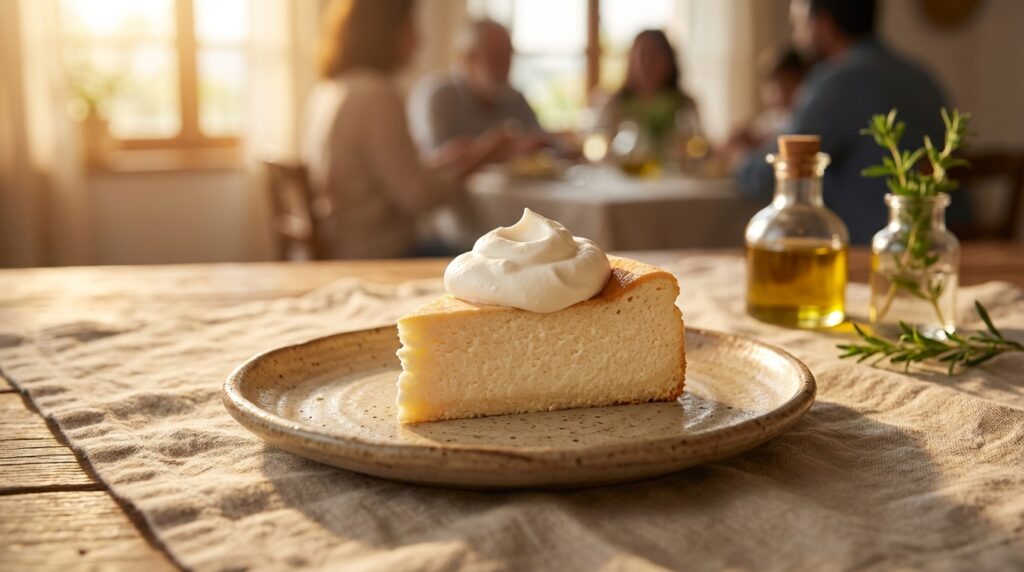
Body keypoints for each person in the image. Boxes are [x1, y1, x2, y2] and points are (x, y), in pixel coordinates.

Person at [734, 0, 957, 244]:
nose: (797, 38)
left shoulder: (837, 83)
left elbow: (775, 175)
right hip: (942, 241)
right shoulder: (920, 76)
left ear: (824, 25)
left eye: (799, 25)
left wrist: (739, 159)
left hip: (875, 249)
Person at [302, 0, 509, 259]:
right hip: (381, 253)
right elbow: (417, 197)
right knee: (494, 257)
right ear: (386, 31)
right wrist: (484, 156)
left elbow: (389, 178)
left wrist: (453, 161)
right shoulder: (376, 95)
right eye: (411, 26)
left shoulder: (332, 89)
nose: (420, 39)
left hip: (345, 244)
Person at [408, 19, 545, 156]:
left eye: (508, 55)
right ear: (467, 59)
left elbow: (542, 141)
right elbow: (432, 163)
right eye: (496, 57)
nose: (505, 66)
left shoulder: (515, 98)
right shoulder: (438, 98)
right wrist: (488, 149)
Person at [596, 30, 700, 149]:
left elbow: (699, 148)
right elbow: (602, 147)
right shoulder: (614, 105)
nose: (647, 64)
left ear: (669, 61)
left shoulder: (685, 104)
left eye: (655, 56)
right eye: (641, 56)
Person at [725, 47, 808, 153]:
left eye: (787, 86)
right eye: (774, 87)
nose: (780, 95)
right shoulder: (770, 119)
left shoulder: (804, 118)